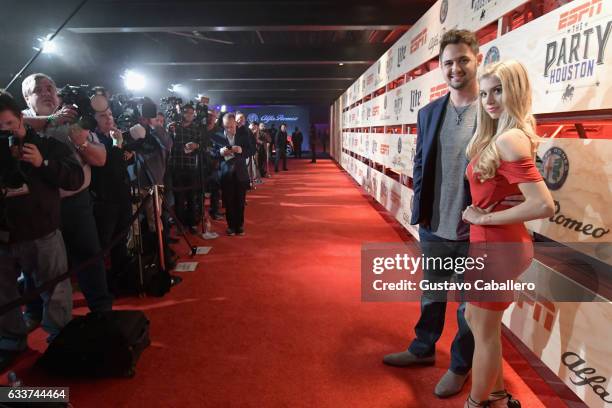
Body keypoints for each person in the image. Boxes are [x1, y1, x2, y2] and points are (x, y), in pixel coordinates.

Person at [382, 29, 481, 398]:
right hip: (434, 226)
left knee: (468, 308)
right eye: (448, 63)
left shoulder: (491, 111)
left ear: (477, 60)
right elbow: (421, 162)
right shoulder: (429, 112)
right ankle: (422, 349)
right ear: (441, 67)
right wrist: (420, 212)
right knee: (432, 293)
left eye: (462, 60)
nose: (455, 68)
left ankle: (460, 366)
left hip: (475, 232)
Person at [460, 60, 554, 408]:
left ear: (516, 90)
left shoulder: (511, 137)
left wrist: (484, 221)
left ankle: (476, 404)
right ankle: (497, 397)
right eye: (484, 92)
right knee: (476, 320)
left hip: (498, 248)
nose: (489, 100)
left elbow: (543, 205)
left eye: (498, 90)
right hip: (492, 245)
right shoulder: (500, 135)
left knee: (483, 332)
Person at [0, 91, 83, 370]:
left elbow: (75, 178)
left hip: (42, 232)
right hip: (3, 235)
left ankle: (60, 340)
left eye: (8, 126)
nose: (3, 133)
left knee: (56, 290)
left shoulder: (46, 145)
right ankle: (11, 340)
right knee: (3, 293)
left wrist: (42, 164)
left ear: (21, 119)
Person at [21, 73, 113, 323]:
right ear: (27, 97)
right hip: (36, 208)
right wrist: (50, 120)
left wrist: (82, 143)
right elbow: (17, 122)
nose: (48, 92)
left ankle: (101, 309)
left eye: (51, 87)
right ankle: (34, 313)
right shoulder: (19, 120)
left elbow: (101, 159)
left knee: (89, 256)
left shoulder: (72, 121)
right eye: (39, 89)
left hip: (75, 203)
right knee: (35, 265)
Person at [212, 113, 250, 236]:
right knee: (228, 201)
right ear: (223, 125)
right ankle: (231, 226)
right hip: (225, 172)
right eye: (227, 127)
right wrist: (219, 152)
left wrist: (241, 150)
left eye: (232, 126)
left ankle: (239, 226)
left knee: (240, 200)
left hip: (240, 172)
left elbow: (252, 149)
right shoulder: (217, 136)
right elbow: (211, 152)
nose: (230, 129)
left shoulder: (243, 134)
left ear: (236, 124)